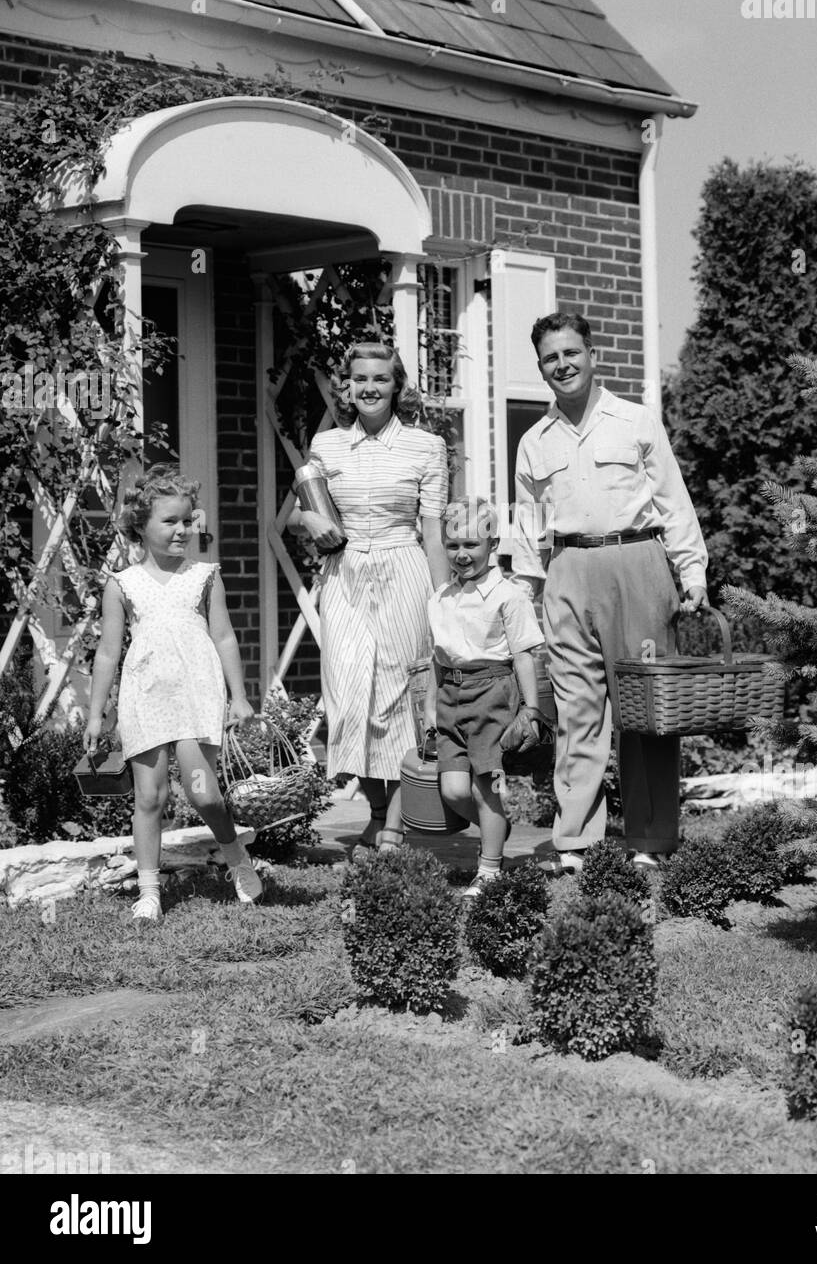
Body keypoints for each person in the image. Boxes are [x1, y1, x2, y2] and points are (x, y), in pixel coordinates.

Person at [511, 313, 709, 873]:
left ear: (593, 355)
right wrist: (527, 595)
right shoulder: (534, 442)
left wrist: (692, 573)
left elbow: (673, 501)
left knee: (645, 708)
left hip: (638, 563)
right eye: (551, 358)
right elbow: (528, 526)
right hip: (567, 571)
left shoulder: (635, 421)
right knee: (576, 710)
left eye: (572, 353)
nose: (563, 365)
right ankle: (576, 843)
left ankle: (650, 839)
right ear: (542, 367)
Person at [288, 342, 449, 855]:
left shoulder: (426, 447)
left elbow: (434, 534)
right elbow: (296, 514)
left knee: (401, 697)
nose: (370, 387)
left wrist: (445, 604)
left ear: (396, 385)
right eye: (360, 379)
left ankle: (396, 828)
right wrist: (310, 518)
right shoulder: (328, 446)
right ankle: (377, 815)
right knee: (351, 693)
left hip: (404, 567)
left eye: (381, 378)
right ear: (347, 387)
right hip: (345, 574)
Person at [83, 464, 260, 921]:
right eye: (171, 521)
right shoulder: (123, 584)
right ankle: (149, 891)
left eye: (187, 520)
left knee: (204, 794)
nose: (183, 529)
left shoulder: (204, 576)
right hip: (146, 697)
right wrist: (96, 713)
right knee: (150, 797)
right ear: (140, 526)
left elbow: (224, 637)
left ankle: (236, 857)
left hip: (197, 694)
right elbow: (107, 653)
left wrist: (238, 696)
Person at [423, 497, 545, 897]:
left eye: (471, 545)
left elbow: (524, 654)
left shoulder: (509, 595)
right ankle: (498, 828)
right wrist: (429, 710)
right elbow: (436, 661)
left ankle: (489, 868)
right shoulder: (440, 597)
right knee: (454, 790)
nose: (461, 554)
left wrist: (530, 710)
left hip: (492, 690)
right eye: (453, 544)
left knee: (485, 787)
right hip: (449, 695)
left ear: (492, 545)